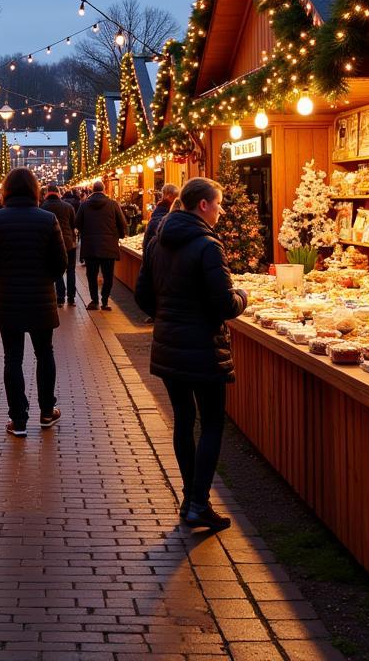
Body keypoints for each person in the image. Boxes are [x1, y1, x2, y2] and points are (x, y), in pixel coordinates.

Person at [148, 177, 247, 533]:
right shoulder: (208, 245)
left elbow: (145, 295)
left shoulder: (159, 240)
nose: (221, 211)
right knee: (212, 422)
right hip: (203, 347)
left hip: (169, 345)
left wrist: (169, 314)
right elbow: (224, 303)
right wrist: (243, 296)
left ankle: (189, 498)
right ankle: (199, 503)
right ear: (203, 205)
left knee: (183, 419)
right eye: (218, 204)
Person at [0, 167, 67, 436]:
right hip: (41, 299)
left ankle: (18, 420)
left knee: (12, 358)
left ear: (5, 190)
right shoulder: (48, 218)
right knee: (45, 353)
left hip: (8, 300)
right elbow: (61, 262)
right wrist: (44, 281)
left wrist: (2, 281)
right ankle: (46, 412)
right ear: (34, 189)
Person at [75, 179, 127, 311]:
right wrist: (119, 236)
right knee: (108, 275)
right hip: (108, 245)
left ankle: (94, 300)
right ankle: (105, 300)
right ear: (104, 190)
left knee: (91, 275)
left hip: (90, 245)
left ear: (92, 190)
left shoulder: (84, 205)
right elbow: (122, 223)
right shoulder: (113, 204)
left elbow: (77, 223)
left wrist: (85, 233)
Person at [41, 183, 78, 306]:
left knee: (57, 270)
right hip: (69, 243)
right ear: (58, 193)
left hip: (52, 244)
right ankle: (71, 297)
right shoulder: (68, 207)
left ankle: (60, 297)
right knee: (71, 270)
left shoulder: (43, 207)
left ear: (47, 194)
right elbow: (74, 224)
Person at [143, 183, 179, 251]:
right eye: (176, 197)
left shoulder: (158, 214)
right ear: (170, 197)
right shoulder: (163, 218)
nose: (178, 201)